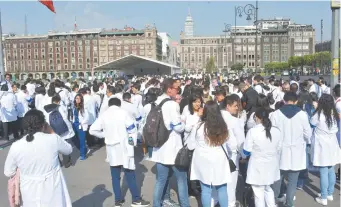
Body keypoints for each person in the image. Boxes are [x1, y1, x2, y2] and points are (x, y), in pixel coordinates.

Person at [4, 109, 73, 207]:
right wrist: (52, 132)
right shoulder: (53, 139)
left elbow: (8, 172)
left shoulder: (16, 146)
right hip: (53, 189)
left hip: (28, 191)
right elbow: (69, 149)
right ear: (44, 124)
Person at [89, 98, 150, 207]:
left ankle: (118, 201)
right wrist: (131, 143)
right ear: (119, 104)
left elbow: (92, 130)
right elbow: (132, 130)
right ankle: (136, 200)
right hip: (125, 148)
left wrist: (105, 135)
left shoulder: (104, 115)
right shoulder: (124, 113)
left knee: (115, 177)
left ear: (109, 105)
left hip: (112, 150)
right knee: (130, 175)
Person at [149, 78, 189, 207]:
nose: (178, 90)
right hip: (173, 148)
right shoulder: (172, 105)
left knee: (160, 180)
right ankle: (185, 205)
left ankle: (156, 204)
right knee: (181, 180)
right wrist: (183, 122)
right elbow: (179, 127)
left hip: (160, 147)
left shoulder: (157, 102)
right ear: (169, 89)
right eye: (176, 88)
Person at [270, 92, 312, 206]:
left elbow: (272, 133)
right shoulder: (302, 114)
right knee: (293, 181)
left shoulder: (275, 114)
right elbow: (308, 133)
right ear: (296, 101)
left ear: (284, 100)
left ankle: (272, 202)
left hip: (280, 151)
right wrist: (306, 142)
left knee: (277, 179)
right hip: (297, 151)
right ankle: (289, 204)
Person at [187, 100, 231, 207]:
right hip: (220, 159)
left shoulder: (199, 127)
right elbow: (229, 144)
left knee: (206, 189)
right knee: (222, 188)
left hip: (203, 160)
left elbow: (190, 146)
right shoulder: (223, 126)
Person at [242, 108, 281, 207]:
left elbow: (246, 151)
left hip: (257, 165)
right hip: (272, 164)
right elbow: (279, 148)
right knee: (268, 188)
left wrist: (243, 156)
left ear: (256, 117)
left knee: (258, 192)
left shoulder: (253, 131)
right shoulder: (276, 131)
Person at [310, 94, 340, 205]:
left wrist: (314, 108)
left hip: (322, 146)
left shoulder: (318, 114)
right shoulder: (334, 114)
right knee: (331, 170)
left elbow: (312, 123)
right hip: (332, 145)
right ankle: (329, 193)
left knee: (323, 171)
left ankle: (323, 197)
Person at [220, 94, 246, 207]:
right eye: (235, 106)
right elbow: (241, 141)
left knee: (220, 181)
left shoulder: (217, 117)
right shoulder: (235, 121)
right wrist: (244, 155)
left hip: (218, 153)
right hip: (232, 154)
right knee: (231, 182)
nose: (237, 108)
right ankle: (230, 203)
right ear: (228, 106)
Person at [44, 95, 75, 168]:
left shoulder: (46, 109)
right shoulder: (61, 107)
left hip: (52, 130)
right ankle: (66, 162)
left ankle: (58, 163)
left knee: (55, 147)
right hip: (64, 130)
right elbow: (66, 116)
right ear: (59, 101)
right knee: (65, 145)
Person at [73, 94, 90, 161]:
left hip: (81, 126)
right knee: (74, 140)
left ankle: (83, 155)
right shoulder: (74, 106)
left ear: (81, 99)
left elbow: (87, 117)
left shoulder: (84, 107)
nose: (78, 100)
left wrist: (82, 123)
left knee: (82, 141)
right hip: (74, 125)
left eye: (79, 98)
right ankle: (84, 149)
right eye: (76, 98)